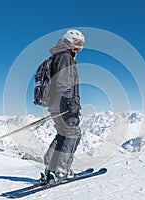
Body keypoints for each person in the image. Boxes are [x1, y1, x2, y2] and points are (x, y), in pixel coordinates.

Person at [42, 29, 85, 183]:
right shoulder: (65, 56)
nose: (79, 48)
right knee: (73, 134)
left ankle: (50, 169)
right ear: (68, 41)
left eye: (81, 45)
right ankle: (62, 170)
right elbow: (64, 82)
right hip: (64, 103)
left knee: (62, 135)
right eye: (77, 43)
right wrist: (71, 102)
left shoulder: (57, 56)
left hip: (55, 103)